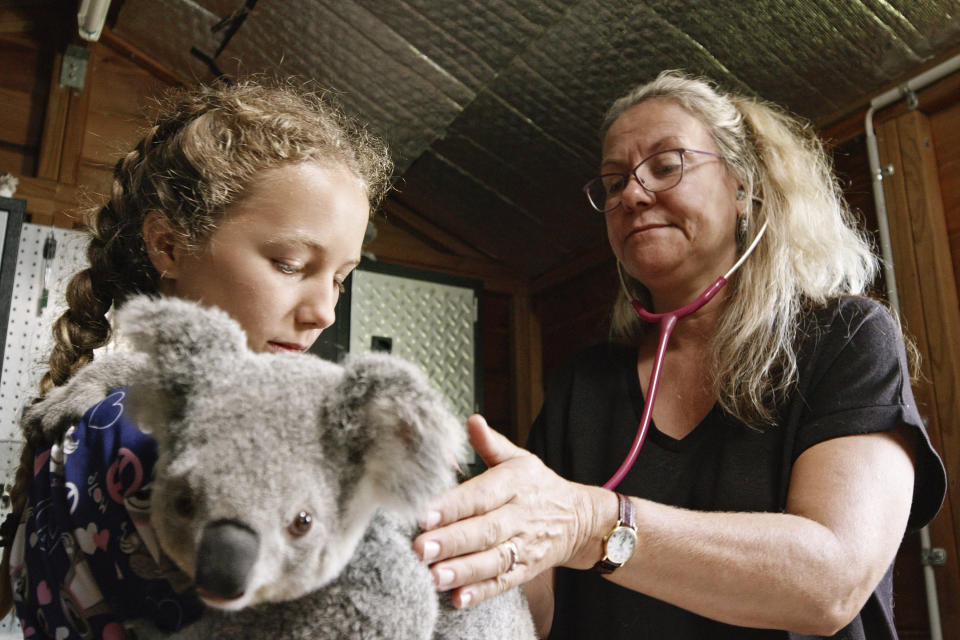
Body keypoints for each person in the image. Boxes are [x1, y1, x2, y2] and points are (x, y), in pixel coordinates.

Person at [413, 70, 947, 639]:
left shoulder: (845, 338)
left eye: (666, 166)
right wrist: (471, 533)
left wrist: (593, 523)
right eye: (613, 183)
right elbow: (544, 610)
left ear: (741, 187)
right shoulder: (583, 384)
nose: (633, 194)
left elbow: (831, 582)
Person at [0, 80, 392, 638]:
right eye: (289, 263)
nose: (324, 311)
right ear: (169, 246)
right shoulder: (188, 447)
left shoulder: (91, 415)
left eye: (339, 279)